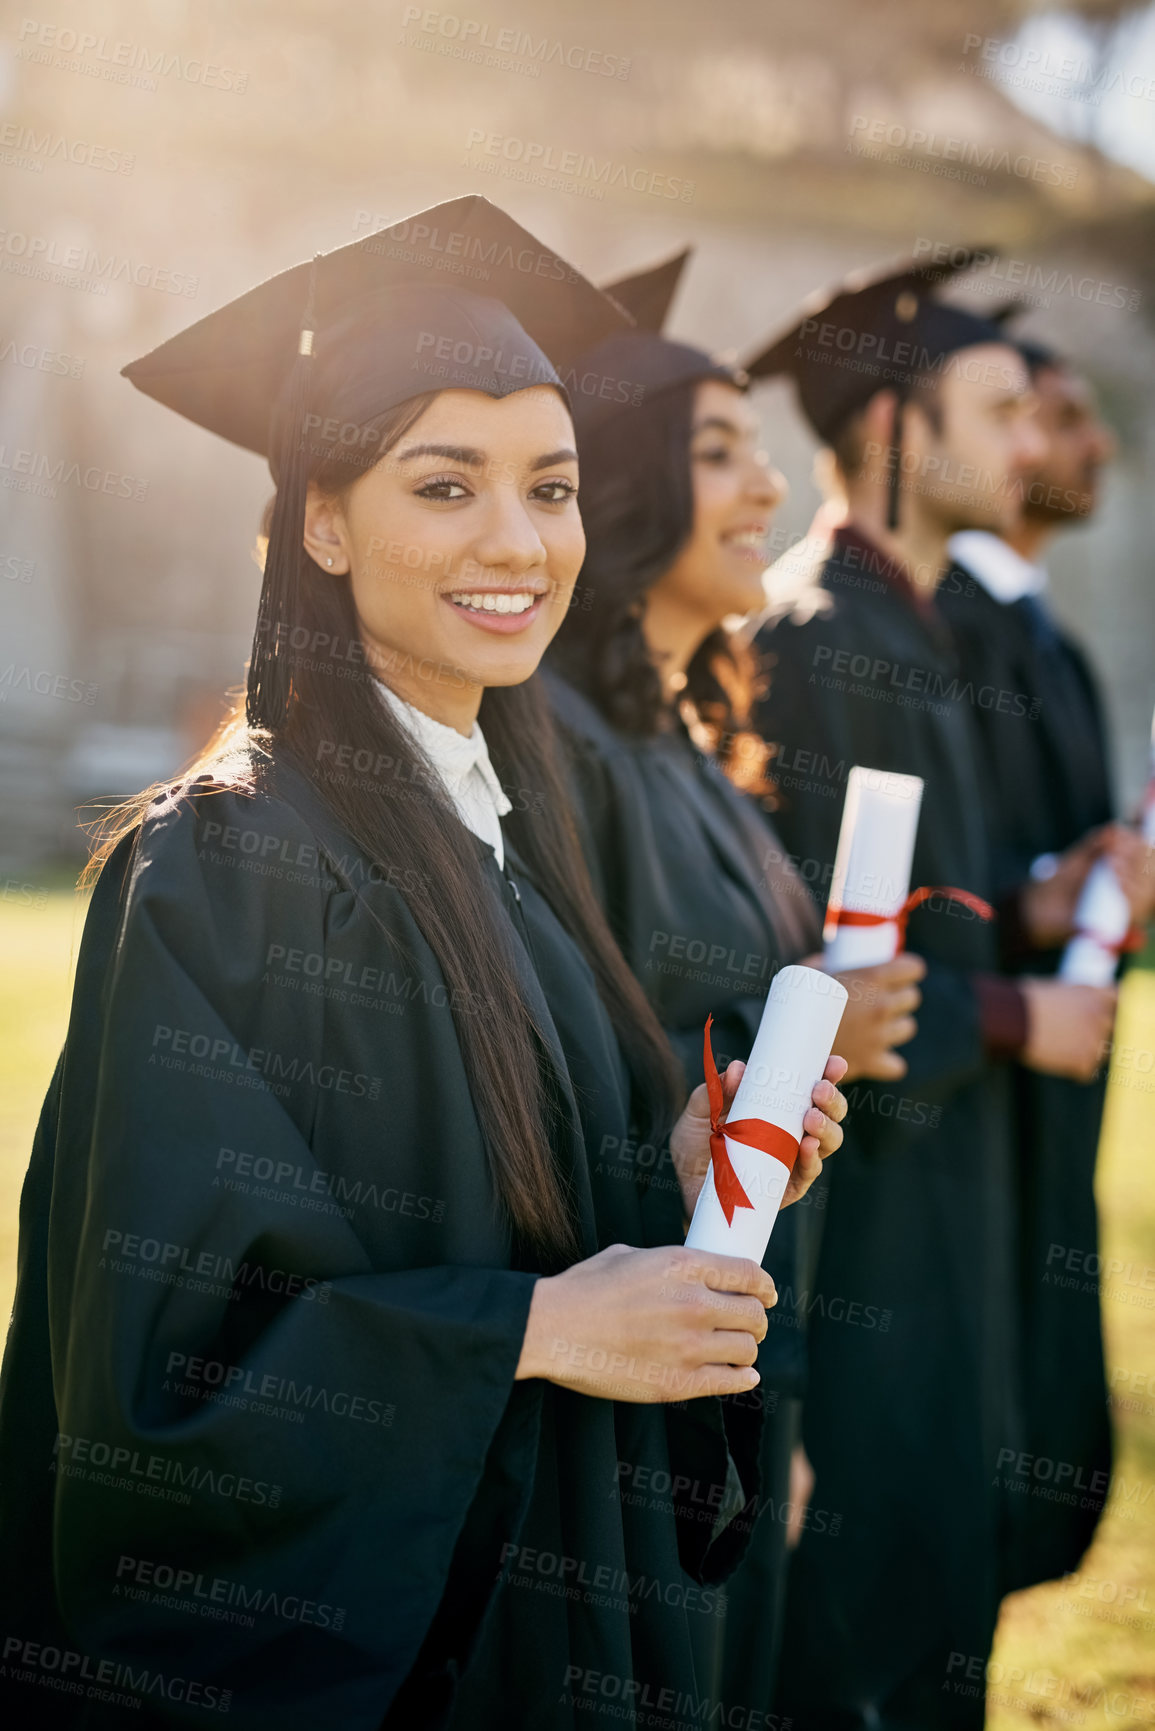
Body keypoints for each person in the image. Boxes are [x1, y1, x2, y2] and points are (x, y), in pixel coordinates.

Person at [0, 196, 848, 1731]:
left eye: (552, 486)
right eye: (443, 485)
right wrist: (531, 1330)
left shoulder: (515, 848)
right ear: (321, 522)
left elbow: (513, 1211)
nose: (517, 542)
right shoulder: (223, 863)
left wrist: (671, 1164)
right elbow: (160, 1373)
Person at [545, 251, 924, 1716]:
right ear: (632, 480)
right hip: (630, 1357)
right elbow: (584, 1068)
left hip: (730, 1341)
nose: (767, 488)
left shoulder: (689, 742)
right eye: (718, 454)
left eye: (760, 448)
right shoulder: (563, 749)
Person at [743, 254, 1118, 1729]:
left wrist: (1032, 901)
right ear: (895, 426)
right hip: (862, 1213)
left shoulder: (922, 634)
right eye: (991, 412)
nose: (1025, 446)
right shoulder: (815, 641)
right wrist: (1016, 1013)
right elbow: (801, 980)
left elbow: (913, 912)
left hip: (950, 1192)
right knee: (860, 1628)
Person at [941, 325, 1155, 1586]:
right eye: (1059, 416)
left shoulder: (1045, 635)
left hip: (1051, 1064)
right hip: (976, 1071)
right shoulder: (950, 632)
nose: (1089, 444)